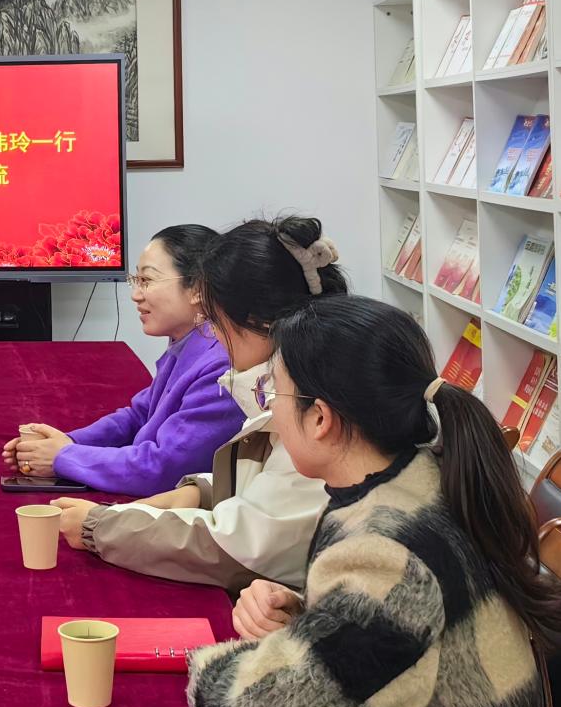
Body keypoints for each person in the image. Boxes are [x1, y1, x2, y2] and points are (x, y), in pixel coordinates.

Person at [187, 296, 561, 707]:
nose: (270, 411)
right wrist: (310, 623)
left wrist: (211, 663)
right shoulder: (424, 479)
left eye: (275, 395)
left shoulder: (386, 556)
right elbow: (398, 640)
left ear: (321, 418)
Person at [48, 216, 343, 592]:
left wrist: (98, 526)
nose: (213, 331)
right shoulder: (290, 379)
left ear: (257, 320)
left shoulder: (305, 408)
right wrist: (201, 491)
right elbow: (264, 488)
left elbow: (238, 546)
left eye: (216, 318)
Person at [3, 225, 239, 494]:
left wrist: (63, 456)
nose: (136, 295)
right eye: (136, 280)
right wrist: (65, 443)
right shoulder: (188, 344)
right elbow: (139, 416)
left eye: (147, 280)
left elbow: (164, 469)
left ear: (198, 288)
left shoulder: (220, 365)